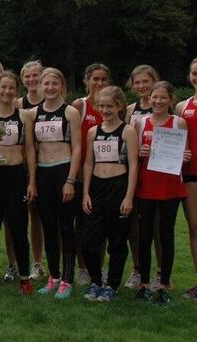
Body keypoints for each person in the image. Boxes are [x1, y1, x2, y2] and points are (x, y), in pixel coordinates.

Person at [134, 81, 190, 306]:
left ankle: (164, 285)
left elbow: (184, 154)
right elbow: (134, 154)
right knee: (144, 236)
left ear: (170, 99)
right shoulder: (141, 122)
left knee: (166, 236)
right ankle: (144, 285)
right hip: (146, 187)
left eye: (162, 98)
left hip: (170, 187)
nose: (157, 102)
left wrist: (185, 156)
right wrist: (140, 152)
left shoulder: (179, 122)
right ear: (149, 99)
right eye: (154, 97)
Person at [0, 71, 34, 295]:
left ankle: (24, 277)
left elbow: (30, 150)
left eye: (11, 88)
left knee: (19, 229)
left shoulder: (25, 116)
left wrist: (32, 182)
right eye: (3, 87)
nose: (7, 91)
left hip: (16, 175)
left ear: (16, 91)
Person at [81, 86, 139, 302]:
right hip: (96, 187)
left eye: (109, 106)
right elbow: (88, 163)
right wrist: (85, 192)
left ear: (119, 106)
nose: (105, 110)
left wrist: (129, 196)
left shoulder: (127, 131)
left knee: (116, 240)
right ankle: (96, 281)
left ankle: (112, 285)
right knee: (89, 240)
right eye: (101, 106)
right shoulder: (93, 131)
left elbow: (134, 165)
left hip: (119, 186)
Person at [29, 67, 81, 299]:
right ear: (40, 86)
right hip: (43, 173)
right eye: (45, 84)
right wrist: (32, 180)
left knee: (65, 227)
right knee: (48, 227)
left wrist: (71, 179)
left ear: (62, 86)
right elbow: (30, 149)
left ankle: (68, 279)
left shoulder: (70, 112)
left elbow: (78, 147)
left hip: (64, 170)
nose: (49, 88)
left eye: (54, 84)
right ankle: (54, 276)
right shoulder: (32, 113)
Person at [123, 65, 161, 290]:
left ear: (154, 81)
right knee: (132, 225)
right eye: (137, 82)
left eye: (145, 81)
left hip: (156, 172)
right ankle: (137, 269)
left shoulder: (163, 105)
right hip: (133, 171)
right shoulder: (129, 110)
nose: (141, 86)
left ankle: (160, 272)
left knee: (156, 226)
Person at [72, 63, 109, 286]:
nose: (100, 83)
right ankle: (82, 268)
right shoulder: (80, 105)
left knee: (101, 225)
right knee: (81, 224)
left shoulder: (113, 106)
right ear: (86, 80)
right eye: (95, 79)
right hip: (80, 175)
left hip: (105, 176)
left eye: (104, 79)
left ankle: (100, 267)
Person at [15, 60, 46, 280]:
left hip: (46, 164)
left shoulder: (52, 101)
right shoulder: (18, 103)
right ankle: (30, 263)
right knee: (26, 216)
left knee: (45, 217)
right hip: (21, 165)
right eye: (28, 76)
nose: (32, 79)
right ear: (22, 79)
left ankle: (48, 263)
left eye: (36, 75)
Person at [175, 59, 197, 300]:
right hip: (190, 173)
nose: (196, 76)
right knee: (194, 227)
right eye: (194, 73)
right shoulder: (183, 106)